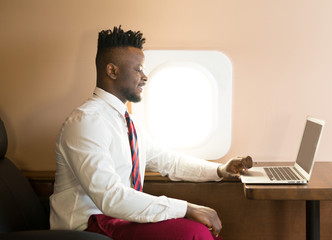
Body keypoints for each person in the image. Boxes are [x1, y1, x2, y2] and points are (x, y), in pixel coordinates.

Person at [50, 25, 253, 240]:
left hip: (115, 219)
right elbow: (110, 198)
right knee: (194, 233)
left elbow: (169, 162)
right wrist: (187, 208)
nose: (145, 77)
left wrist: (220, 170)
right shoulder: (86, 122)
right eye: (138, 69)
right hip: (87, 227)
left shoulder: (127, 122)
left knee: (197, 230)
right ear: (112, 71)